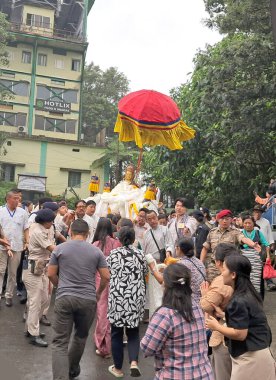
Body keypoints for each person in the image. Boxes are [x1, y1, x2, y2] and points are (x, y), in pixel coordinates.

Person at [48, 219, 110, 380]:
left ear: (70, 231)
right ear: (88, 234)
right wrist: (97, 293)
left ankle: (61, 376)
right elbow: (105, 276)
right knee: (80, 336)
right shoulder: (96, 251)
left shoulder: (59, 249)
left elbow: (50, 274)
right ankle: (73, 368)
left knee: (60, 342)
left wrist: (60, 285)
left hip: (64, 298)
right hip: (88, 299)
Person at [205, 255, 275, 380]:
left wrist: (216, 327)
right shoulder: (249, 293)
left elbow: (240, 334)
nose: (222, 274)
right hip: (259, 353)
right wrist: (224, 315)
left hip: (251, 358)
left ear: (233, 275)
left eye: (224, 269)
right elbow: (249, 319)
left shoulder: (238, 300)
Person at [140, 263, 213, 380]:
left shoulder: (164, 314)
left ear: (165, 285)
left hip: (174, 375)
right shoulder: (196, 306)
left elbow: (148, 347)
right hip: (204, 374)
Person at [107, 226, 148, 378]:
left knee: (116, 333)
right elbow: (145, 273)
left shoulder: (113, 254)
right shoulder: (140, 254)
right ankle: (134, 363)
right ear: (133, 239)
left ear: (118, 238)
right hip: (135, 298)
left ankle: (118, 369)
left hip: (117, 298)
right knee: (133, 333)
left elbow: (108, 272)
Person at [200, 244, 239, 380]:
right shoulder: (240, 276)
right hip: (235, 329)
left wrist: (204, 294)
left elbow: (206, 305)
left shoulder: (221, 280)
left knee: (222, 374)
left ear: (218, 262)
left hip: (222, 334)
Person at [22, 209, 56, 347]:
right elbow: (52, 248)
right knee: (36, 302)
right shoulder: (38, 231)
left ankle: (30, 329)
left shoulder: (41, 227)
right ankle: (33, 334)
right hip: (33, 270)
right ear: (45, 221)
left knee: (43, 299)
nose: (52, 223)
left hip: (39, 268)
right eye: (51, 221)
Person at [200, 209, 261, 283]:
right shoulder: (212, 232)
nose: (225, 221)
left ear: (231, 220)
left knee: (229, 290)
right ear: (218, 220)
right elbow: (205, 248)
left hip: (229, 268)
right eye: (222, 219)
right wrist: (201, 264)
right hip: (213, 267)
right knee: (212, 289)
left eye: (227, 219)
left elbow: (243, 239)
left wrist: (253, 244)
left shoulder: (235, 232)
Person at [92, 218, 121, 359]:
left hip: (99, 281)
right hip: (115, 281)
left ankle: (103, 345)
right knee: (112, 312)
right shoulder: (116, 243)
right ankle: (110, 342)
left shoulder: (95, 245)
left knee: (102, 312)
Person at [0, 190, 29, 307]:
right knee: (1, 271)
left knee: (12, 273)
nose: (18, 200)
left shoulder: (23, 213)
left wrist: (27, 242)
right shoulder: (1, 211)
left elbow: (26, 228)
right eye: (15, 198)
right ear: (8, 199)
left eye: (19, 198)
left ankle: (9, 295)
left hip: (17, 247)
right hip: (1, 247)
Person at [241, 215, 269, 298]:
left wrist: (267, 257)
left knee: (257, 281)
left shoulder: (258, 233)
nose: (247, 225)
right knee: (245, 279)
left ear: (254, 224)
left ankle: (258, 299)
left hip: (256, 260)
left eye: (249, 223)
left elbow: (266, 244)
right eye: (245, 223)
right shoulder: (240, 233)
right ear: (243, 224)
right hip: (244, 260)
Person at [176, 238, 206, 304]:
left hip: (192, 301)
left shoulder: (181, 264)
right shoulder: (198, 261)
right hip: (203, 297)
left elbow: (176, 284)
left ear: (179, 248)